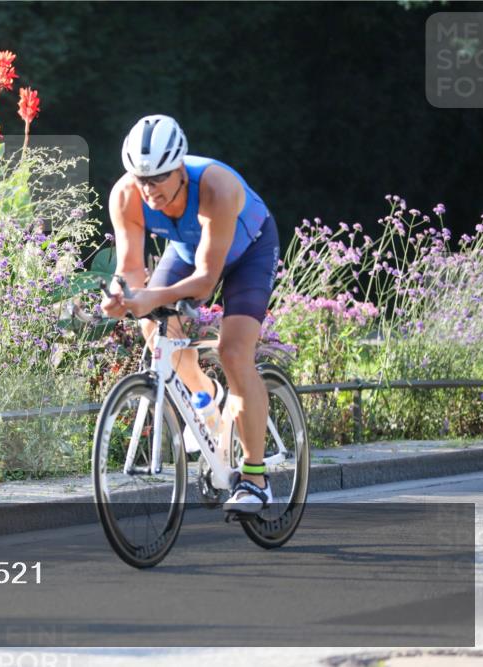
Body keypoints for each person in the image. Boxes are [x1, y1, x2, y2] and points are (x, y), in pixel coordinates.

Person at [100, 114, 280, 513]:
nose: (149, 190)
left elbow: (204, 280)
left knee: (233, 353)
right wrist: (120, 294)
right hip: (186, 254)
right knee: (154, 327)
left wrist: (149, 296)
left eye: (159, 178)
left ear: (180, 168)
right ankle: (207, 401)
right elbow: (130, 270)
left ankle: (255, 478)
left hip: (248, 252)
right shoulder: (126, 195)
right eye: (141, 179)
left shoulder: (216, 186)